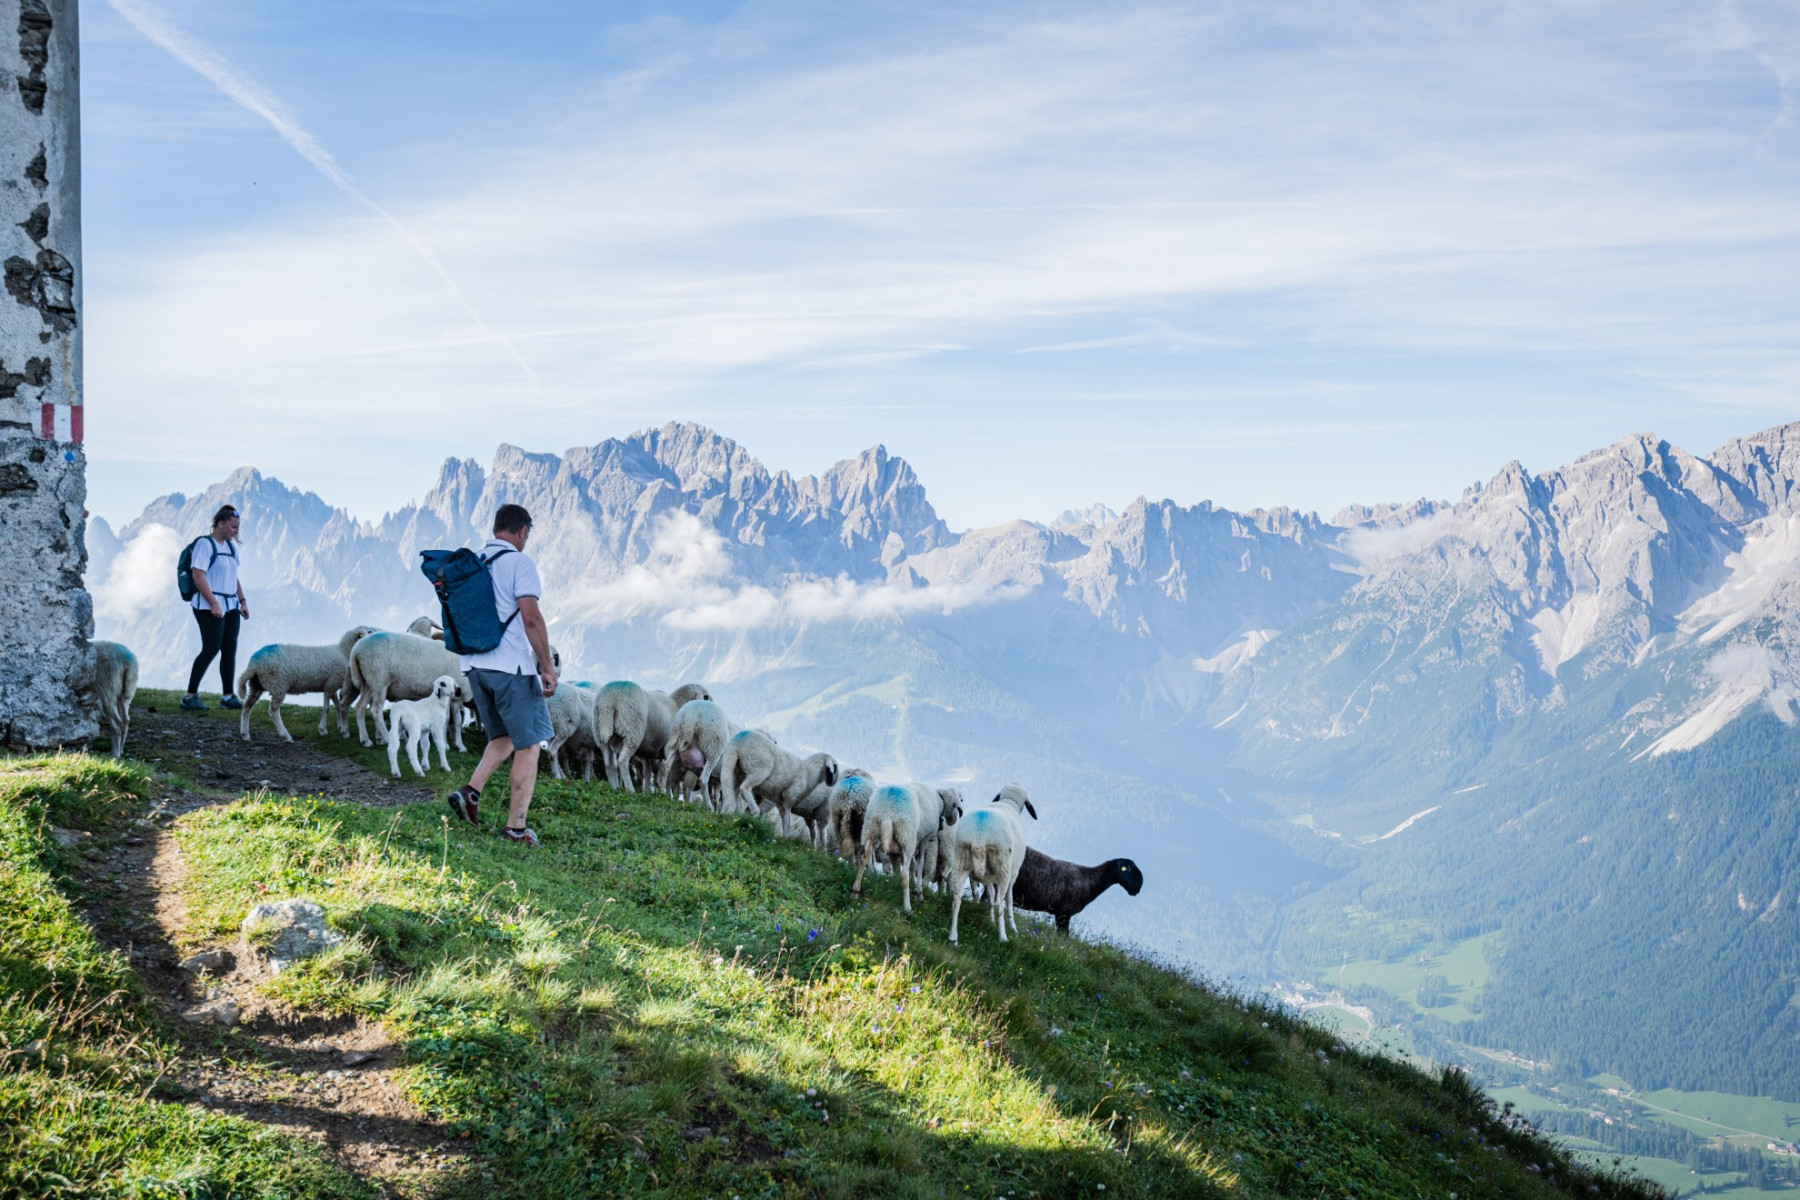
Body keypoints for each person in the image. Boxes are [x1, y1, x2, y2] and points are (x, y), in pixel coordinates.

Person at [445, 503, 559, 846]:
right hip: (510, 667)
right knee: (530, 745)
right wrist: (547, 666)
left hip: (474, 667)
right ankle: (516, 827)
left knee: (503, 738)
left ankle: (470, 794)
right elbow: (531, 619)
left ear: (497, 527)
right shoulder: (519, 563)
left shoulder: (473, 562)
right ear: (522, 531)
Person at [182, 504, 250, 711]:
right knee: (211, 648)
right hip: (207, 605)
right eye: (233, 527)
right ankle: (190, 696)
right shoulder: (205, 544)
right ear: (221, 524)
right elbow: (198, 575)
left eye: (237, 527)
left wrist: (243, 600)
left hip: (230, 605)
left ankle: (228, 697)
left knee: (229, 649)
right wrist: (213, 603)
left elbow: (233, 576)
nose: (236, 531)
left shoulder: (230, 548)